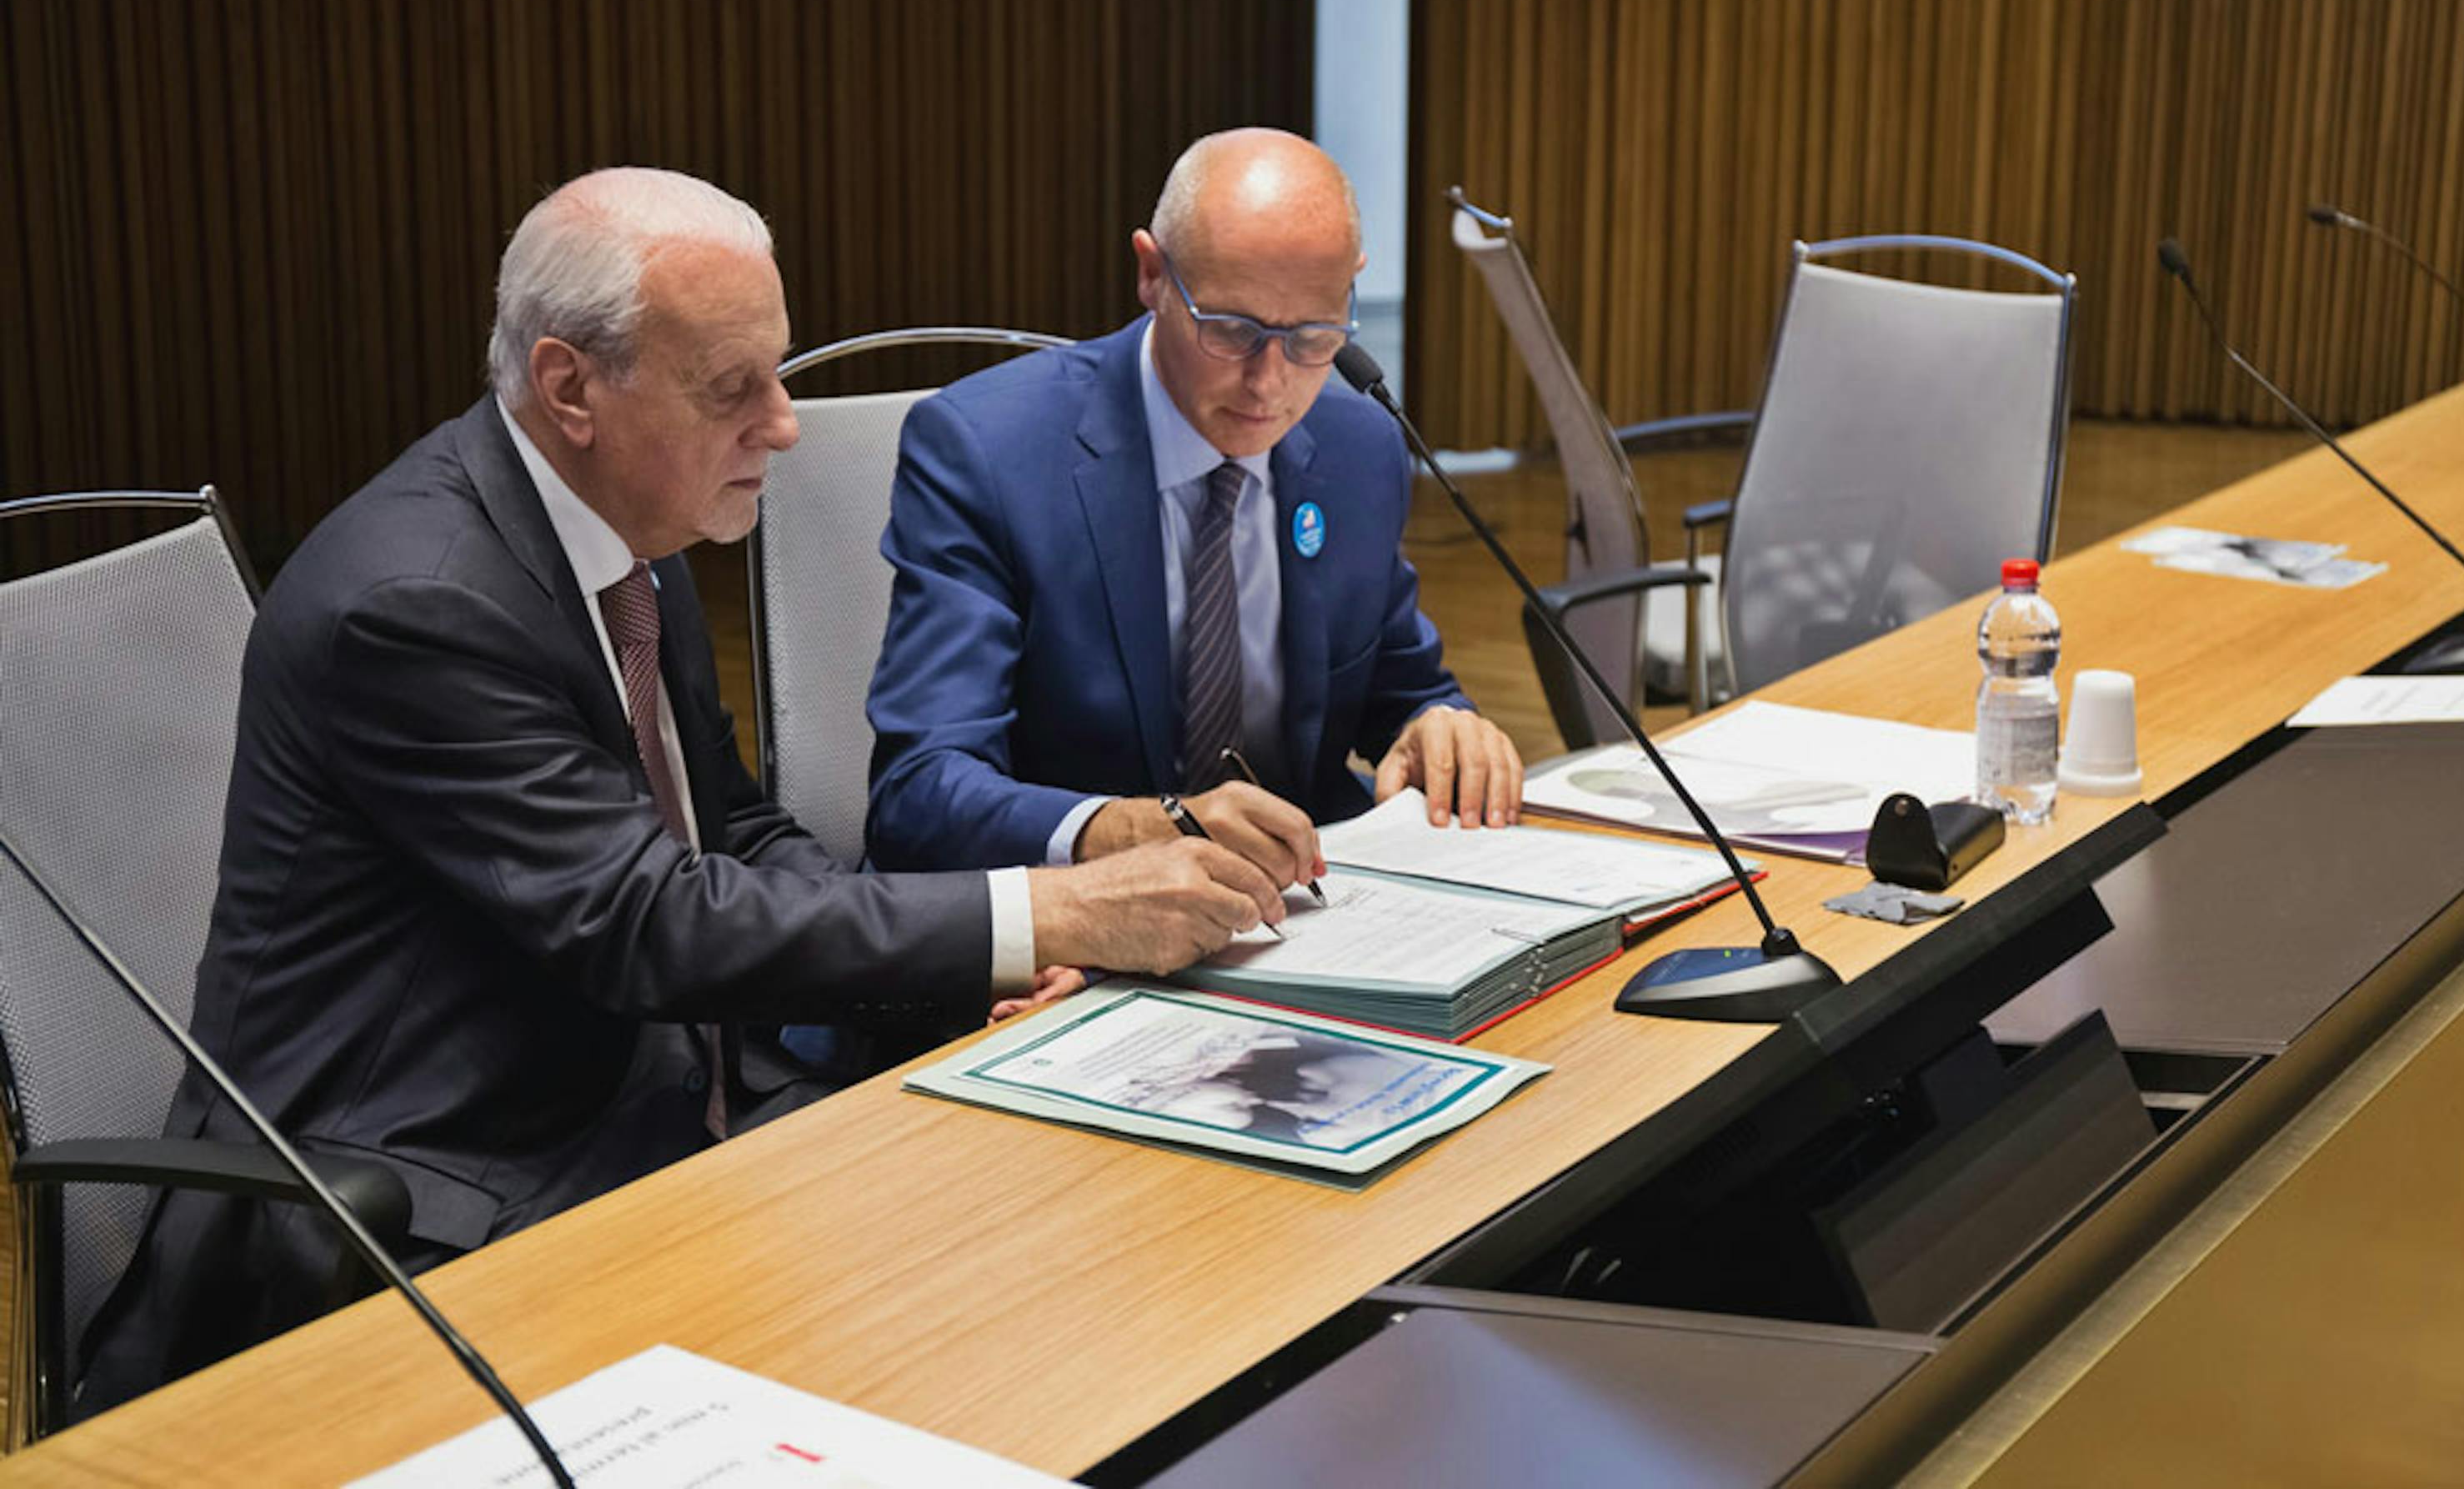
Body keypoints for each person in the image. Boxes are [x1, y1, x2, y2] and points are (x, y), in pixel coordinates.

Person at [74, 167, 1282, 1414]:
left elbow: (732, 829)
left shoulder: (620, 537)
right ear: (569, 388)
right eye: (731, 389)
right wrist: (1049, 910)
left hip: (640, 1102)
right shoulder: (417, 605)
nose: (785, 422)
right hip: (423, 1195)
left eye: (779, 369)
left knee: (1061, 1249)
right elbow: (651, 920)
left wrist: (979, 965)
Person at [864, 128, 1525, 895]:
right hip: (1076, 937)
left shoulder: (1359, 450)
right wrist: (1145, 828)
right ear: (1151, 273)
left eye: (1313, 336)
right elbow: (920, 791)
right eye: (1233, 331)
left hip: (1304, 917)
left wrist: (1437, 728)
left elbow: (1401, 688)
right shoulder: (987, 452)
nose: (1267, 384)